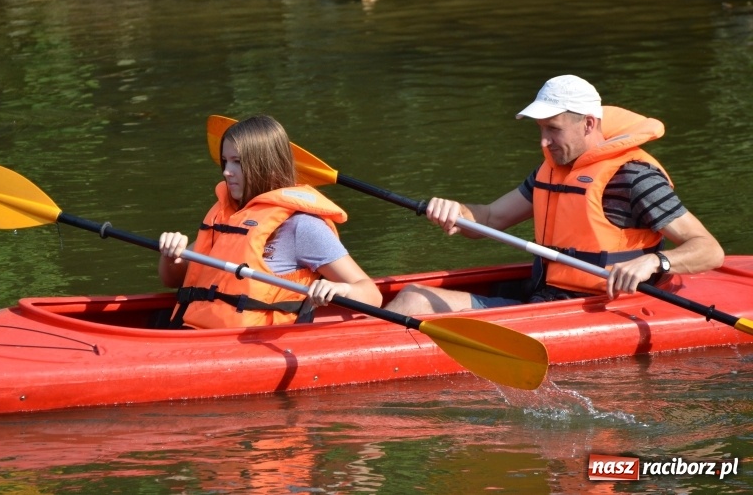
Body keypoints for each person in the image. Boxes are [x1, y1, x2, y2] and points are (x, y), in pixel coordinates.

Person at [385, 75, 724, 315]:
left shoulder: (634, 177)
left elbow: (708, 250)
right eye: (541, 129)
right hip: (545, 295)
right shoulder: (551, 170)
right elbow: (488, 219)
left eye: (553, 129)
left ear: (589, 124)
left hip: (592, 307)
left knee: (417, 300)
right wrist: (454, 211)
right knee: (408, 295)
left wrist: (656, 261)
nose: (544, 141)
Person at [158, 115, 382, 329]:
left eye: (237, 162)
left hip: (253, 343)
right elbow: (173, 279)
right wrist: (172, 256)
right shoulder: (227, 218)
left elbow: (372, 295)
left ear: (266, 166)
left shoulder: (302, 225)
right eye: (225, 161)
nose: (226, 171)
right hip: (196, 332)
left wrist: (339, 288)